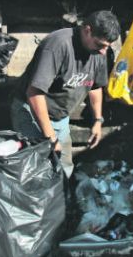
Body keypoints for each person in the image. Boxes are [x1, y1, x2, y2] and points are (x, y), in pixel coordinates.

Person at [11, 10, 120, 177]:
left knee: (64, 166)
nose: (104, 52)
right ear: (87, 30)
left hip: (60, 117)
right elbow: (34, 93)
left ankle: (61, 192)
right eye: (100, 45)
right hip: (31, 112)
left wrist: (98, 120)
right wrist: (50, 138)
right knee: (35, 169)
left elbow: (95, 87)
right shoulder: (58, 45)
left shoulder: (98, 52)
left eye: (107, 47)